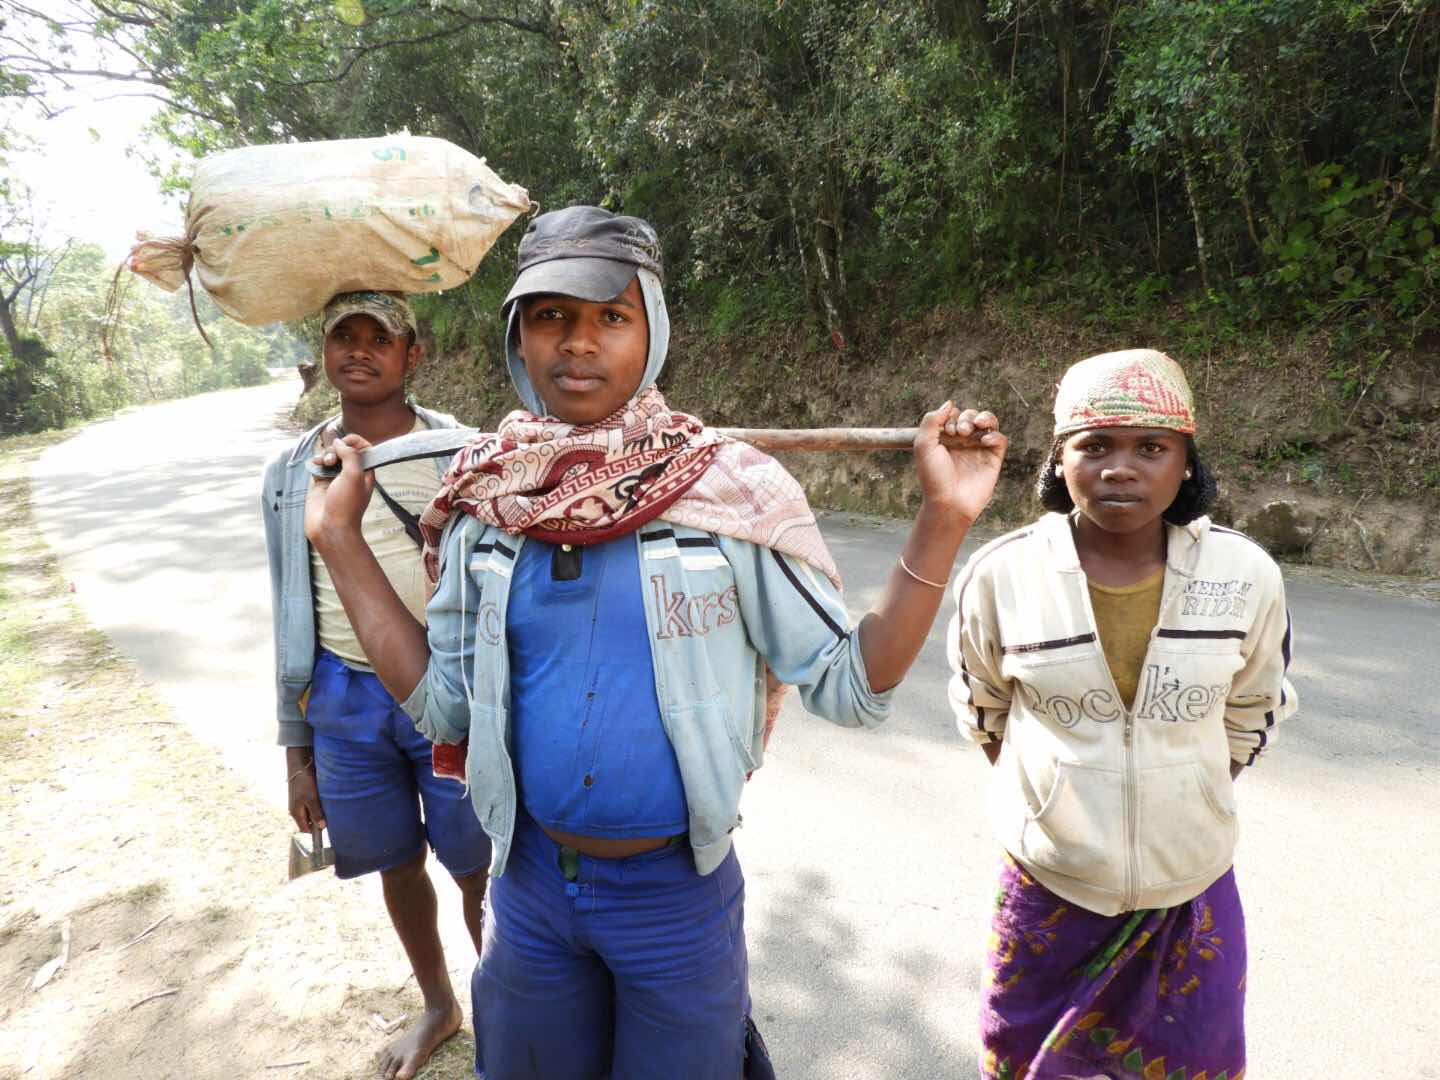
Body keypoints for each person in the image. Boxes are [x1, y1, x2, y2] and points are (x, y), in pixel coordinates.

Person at [303, 205, 1009, 1079]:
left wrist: (942, 519)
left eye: (611, 316)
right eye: (552, 316)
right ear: (518, 339)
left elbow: (851, 684)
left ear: (653, 333)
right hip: (525, 891)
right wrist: (338, 540)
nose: (579, 343)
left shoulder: (730, 491)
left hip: (676, 900)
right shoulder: (485, 505)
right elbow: (445, 705)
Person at [947, 348, 1299, 1080]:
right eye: (1095, 445)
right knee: (1027, 1063)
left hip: (1188, 891)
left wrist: (1187, 789)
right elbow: (984, 710)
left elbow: (1253, 706)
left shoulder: (1245, 576)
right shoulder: (1004, 574)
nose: (1120, 467)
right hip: (1051, 891)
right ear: (1059, 459)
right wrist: (1060, 800)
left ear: (1185, 463)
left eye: (1151, 447)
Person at [261, 290, 492, 1080]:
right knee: (397, 862)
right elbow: (288, 603)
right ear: (322, 354)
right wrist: (297, 749)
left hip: (447, 690)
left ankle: (507, 1001)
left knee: (477, 863)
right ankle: (439, 1004)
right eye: (342, 338)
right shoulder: (291, 472)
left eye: (379, 339)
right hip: (342, 699)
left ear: (411, 356)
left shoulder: (462, 453)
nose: (359, 352)